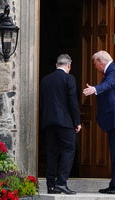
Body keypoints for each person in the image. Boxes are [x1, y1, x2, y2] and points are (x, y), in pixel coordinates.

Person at [83, 50, 115, 194]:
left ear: (101, 62)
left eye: (95, 65)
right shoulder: (113, 70)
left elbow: (109, 83)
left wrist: (95, 89)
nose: (95, 67)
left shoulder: (114, 71)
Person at [40, 54, 81, 195]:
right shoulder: (69, 79)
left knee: (51, 152)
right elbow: (73, 102)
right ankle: (62, 183)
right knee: (68, 150)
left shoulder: (45, 80)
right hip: (65, 122)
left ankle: (51, 185)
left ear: (56, 65)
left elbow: (42, 103)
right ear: (68, 65)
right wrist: (77, 122)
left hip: (49, 122)